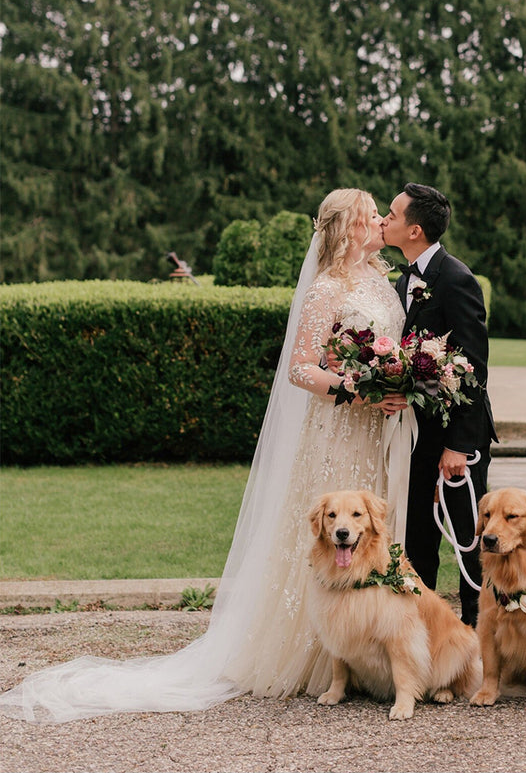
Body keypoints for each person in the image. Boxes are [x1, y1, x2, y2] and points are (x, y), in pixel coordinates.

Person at [0, 189, 407, 722]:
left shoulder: (382, 282)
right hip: (336, 432)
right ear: (346, 228)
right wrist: (358, 390)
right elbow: (300, 368)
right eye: (369, 215)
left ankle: (369, 651)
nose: (379, 221)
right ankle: (315, 656)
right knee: (331, 535)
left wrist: (394, 383)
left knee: (371, 535)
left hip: (375, 432)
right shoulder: (326, 289)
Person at [381, 183, 496, 627]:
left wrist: (458, 447)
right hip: (415, 436)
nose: (383, 221)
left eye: (391, 215)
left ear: (413, 230)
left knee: (470, 544)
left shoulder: (457, 279)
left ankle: (478, 637)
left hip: (455, 442)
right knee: (418, 540)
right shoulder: (403, 279)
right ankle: (424, 635)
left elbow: (473, 370)